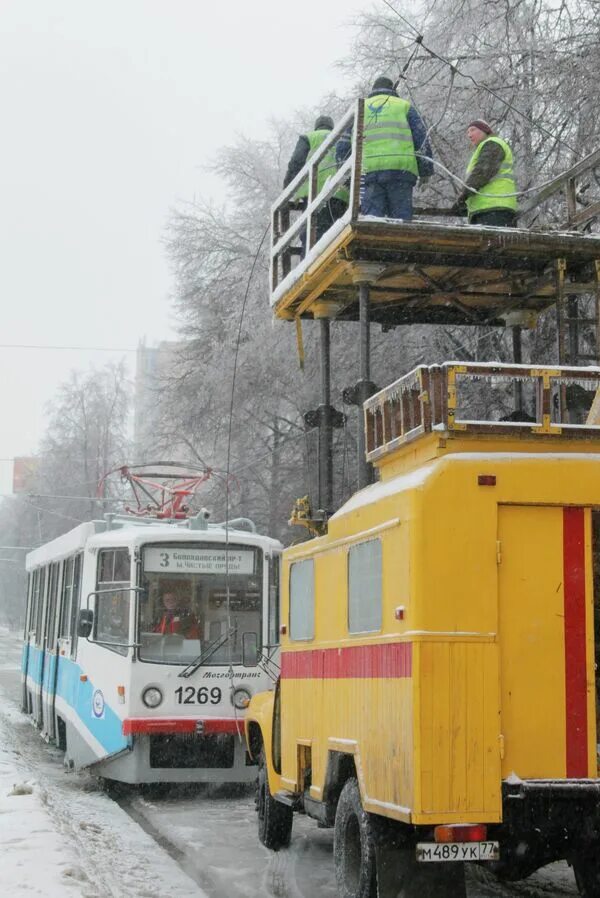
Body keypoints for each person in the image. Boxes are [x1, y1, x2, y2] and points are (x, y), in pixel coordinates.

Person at [337, 75, 433, 220]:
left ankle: (373, 242)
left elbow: (343, 147)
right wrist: (425, 171)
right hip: (401, 171)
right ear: (392, 89)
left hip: (369, 172)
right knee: (401, 220)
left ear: (373, 90)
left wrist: (345, 176)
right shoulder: (404, 106)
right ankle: (401, 240)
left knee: (372, 220)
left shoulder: (359, 109)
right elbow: (421, 139)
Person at [283, 114, 348, 247]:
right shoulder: (343, 137)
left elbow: (296, 163)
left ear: (316, 127)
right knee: (337, 233)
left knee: (312, 236)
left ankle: (309, 263)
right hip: (341, 194)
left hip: (315, 193)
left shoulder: (308, 138)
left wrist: (288, 190)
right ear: (332, 127)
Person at [452, 120, 517, 226]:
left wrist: (463, 196)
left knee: (493, 242)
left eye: (473, 130)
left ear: (485, 130)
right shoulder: (483, 149)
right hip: (486, 209)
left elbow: (482, 172)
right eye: (467, 132)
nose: (469, 135)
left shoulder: (493, 143)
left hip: (494, 208)